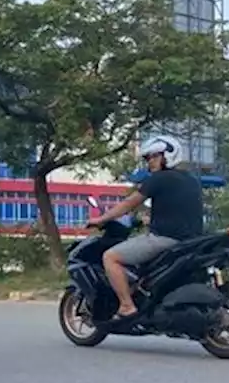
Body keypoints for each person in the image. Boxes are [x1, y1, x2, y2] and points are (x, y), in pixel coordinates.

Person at [86, 135, 203, 322]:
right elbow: (177, 208)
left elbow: (129, 203)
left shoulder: (159, 179)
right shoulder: (191, 180)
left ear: (168, 155)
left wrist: (101, 219)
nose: (150, 162)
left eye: (153, 157)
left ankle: (126, 306)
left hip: (164, 240)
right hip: (191, 241)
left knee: (110, 257)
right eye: (148, 158)